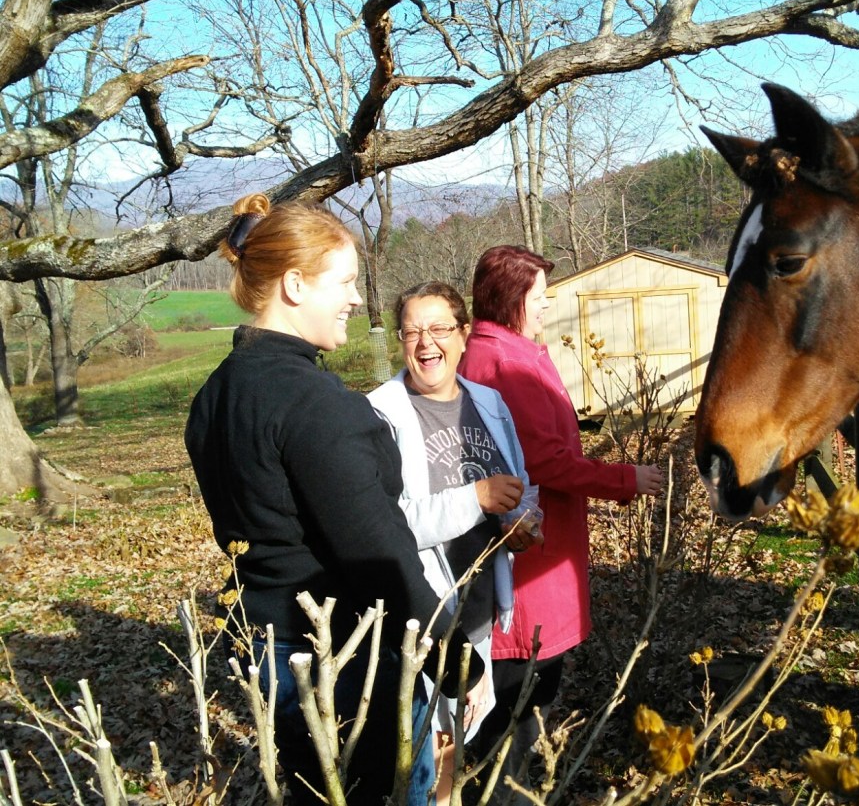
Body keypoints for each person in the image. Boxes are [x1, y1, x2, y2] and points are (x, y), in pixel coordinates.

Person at [185, 195, 486, 806]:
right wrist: (458, 665)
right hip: (345, 663)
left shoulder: (214, 397)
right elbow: (378, 556)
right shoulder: (318, 406)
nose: (356, 298)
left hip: (269, 652)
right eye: (344, 282)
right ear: (295, 285)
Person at [458, 245, 663, 800]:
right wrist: (625, 479)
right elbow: (545, 461)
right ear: (510, 298)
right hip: (530, 558)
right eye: (539, 296)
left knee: (521, 686)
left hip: (526, 547)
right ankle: (507, 792)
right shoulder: (508, 364)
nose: (547, 305)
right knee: (522, 688)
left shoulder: (499, 353)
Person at [367, 281, 542, 805]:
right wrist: (477, 498)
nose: (426, 343)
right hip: (423, 619)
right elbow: (383, 525)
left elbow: (521, 482)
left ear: (463, 334)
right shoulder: (380, 413)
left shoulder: (488, 402)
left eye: (439, 328)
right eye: (412, 331)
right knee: (432, 757)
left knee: (461, 746)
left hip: (483, 611)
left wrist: (523, 525)